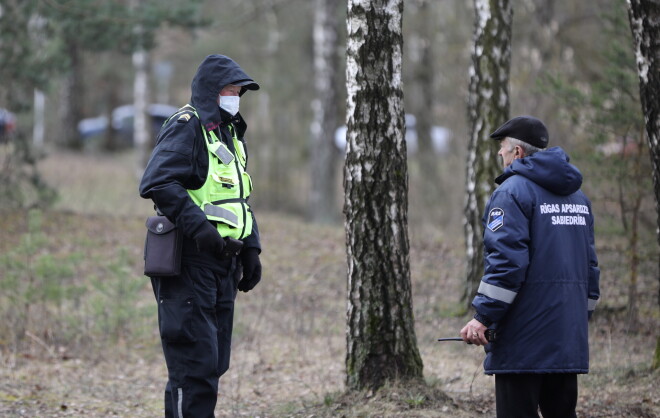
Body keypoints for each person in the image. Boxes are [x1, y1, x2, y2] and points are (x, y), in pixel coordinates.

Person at [139, 54, 263, 418]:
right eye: (229, 90)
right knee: (193, 369)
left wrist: (251, 247)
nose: (235, 96)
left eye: (239, 91)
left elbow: (237, 198)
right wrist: (201, 231)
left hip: (223, 263)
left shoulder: (228, 133)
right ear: (211, 91)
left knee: (213, 365)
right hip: (189, 261)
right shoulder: (186, 125)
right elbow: (157, 182)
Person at [460, 115, 600, 418]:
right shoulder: (578, 198)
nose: (500, 153)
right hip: (566, 336)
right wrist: (578, 317)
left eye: (503, 148)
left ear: (518, 153)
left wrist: (483, 316)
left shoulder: (511, 193)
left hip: (524, 340)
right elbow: (590, 267)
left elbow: (506, 264)